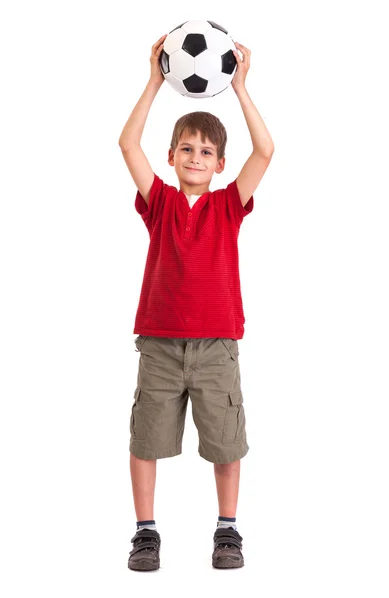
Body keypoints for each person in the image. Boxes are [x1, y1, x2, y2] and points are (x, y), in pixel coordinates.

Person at [118, 34, 274, 571]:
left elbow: (266, 151)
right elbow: (127, 144)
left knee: (227, 444)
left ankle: (227, 530)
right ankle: (145, 533)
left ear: (219, 163)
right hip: (160, 345)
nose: (195, 156)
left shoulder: (230, 205)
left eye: (206, 152)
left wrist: (241, 90)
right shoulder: (157, 201)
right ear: (172, 156)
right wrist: (155, 81)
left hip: (216, 347)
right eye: (186, 148)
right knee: (145, 439)